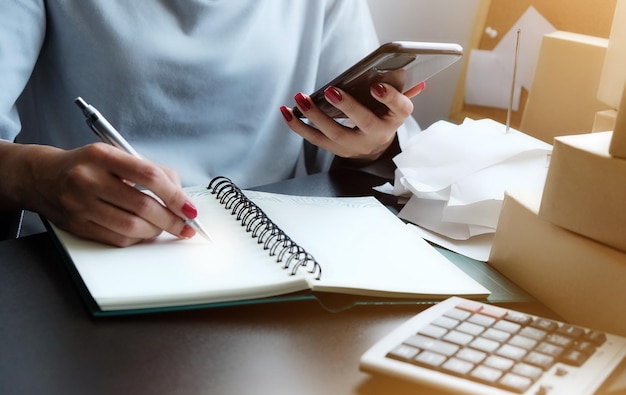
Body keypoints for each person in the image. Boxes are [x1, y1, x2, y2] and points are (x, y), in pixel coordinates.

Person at [0, 1, 421, 247]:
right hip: (86, 245)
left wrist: (371, 144)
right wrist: (33, 176)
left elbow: (362, 125)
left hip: (278, 245)